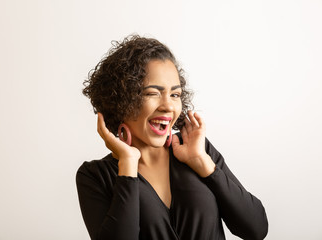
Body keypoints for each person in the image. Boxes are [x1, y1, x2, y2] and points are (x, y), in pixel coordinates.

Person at [76, 35, 268, 240]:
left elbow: (255, 229)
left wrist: (202, 163)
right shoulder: (94, 176)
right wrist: (128, 166)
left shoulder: (198, 150)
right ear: (122, 100)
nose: (168, 106)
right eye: (152, 93)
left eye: (175, 95)